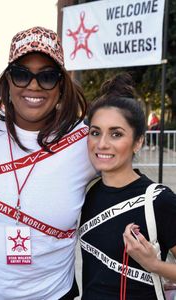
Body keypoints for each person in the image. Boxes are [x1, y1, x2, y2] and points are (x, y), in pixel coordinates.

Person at [0, 26, 96, 299]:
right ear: (7, 81)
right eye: (21, 74)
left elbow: (126, 188)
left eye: (47, 77)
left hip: (50, 293)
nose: (34, 85)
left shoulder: (85, 141)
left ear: (61, 85)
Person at [79, 73, 176, 299]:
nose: (102, 144)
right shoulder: (88, 193)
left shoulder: (159, 200)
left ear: (138, 141)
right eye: (95, 132)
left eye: (116, 134)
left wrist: (154, 264)